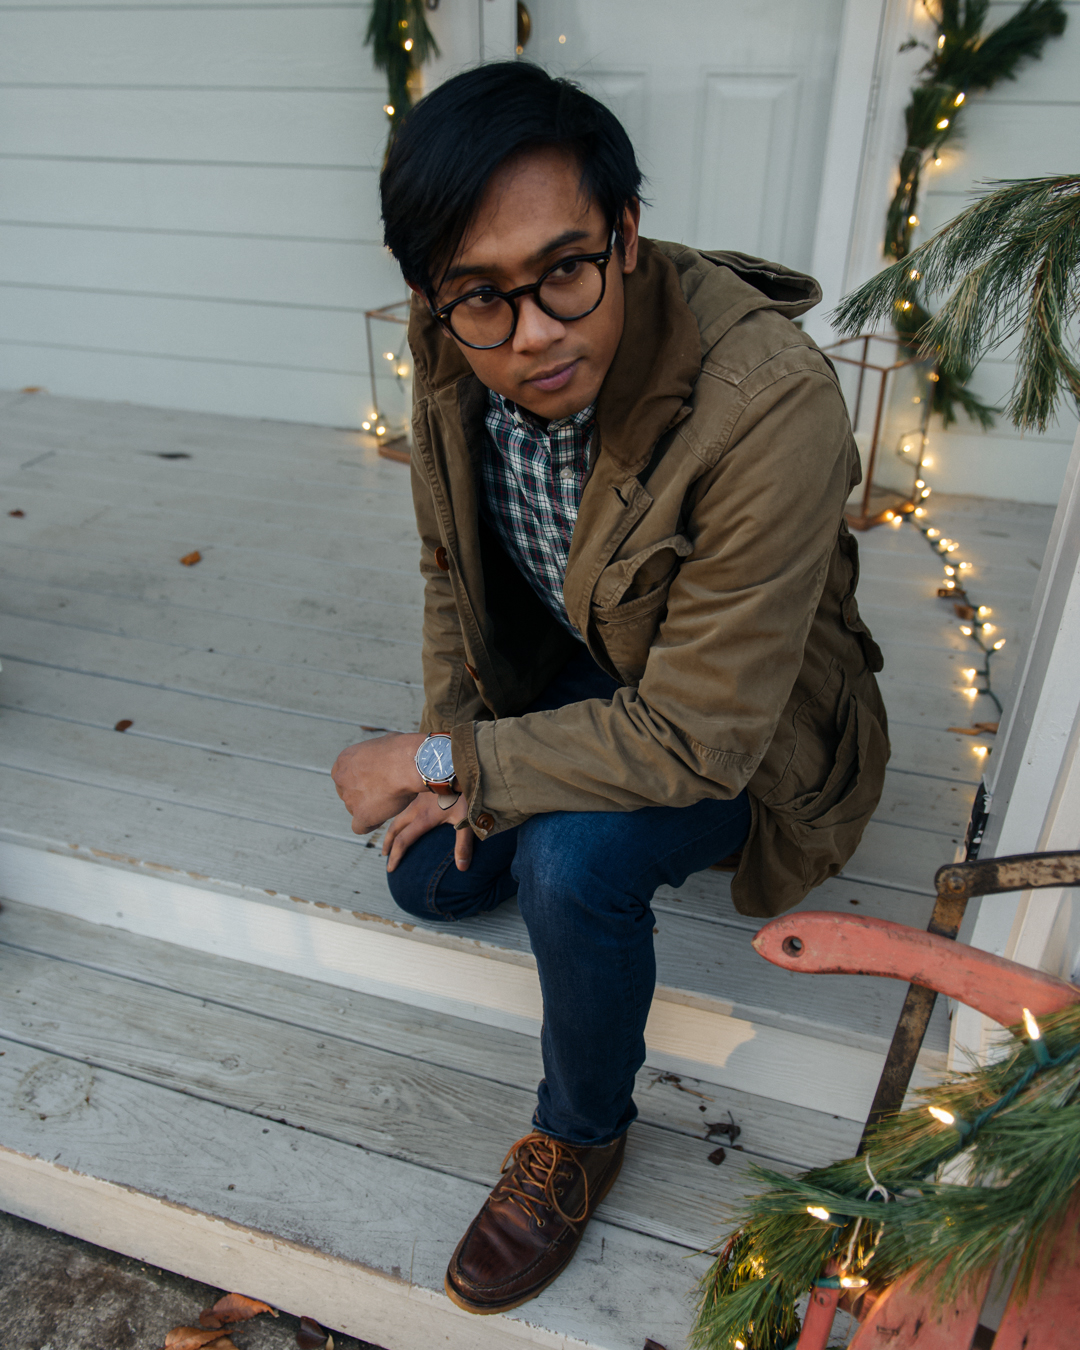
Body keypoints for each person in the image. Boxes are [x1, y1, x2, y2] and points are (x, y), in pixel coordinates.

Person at [331, 61, 889, 1316]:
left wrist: (446, 767)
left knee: (568, 868)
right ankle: (527, 808)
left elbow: (699, 737)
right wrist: (465, 740)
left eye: (565, 271)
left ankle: (579, 1136)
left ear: (626, 239)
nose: (533, 332)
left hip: (751, 730)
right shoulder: (450, 345)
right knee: (433, 878)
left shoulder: (771, 406)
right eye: (482, 296)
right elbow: (451, 567)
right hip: (597, 662)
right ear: (432, 295)